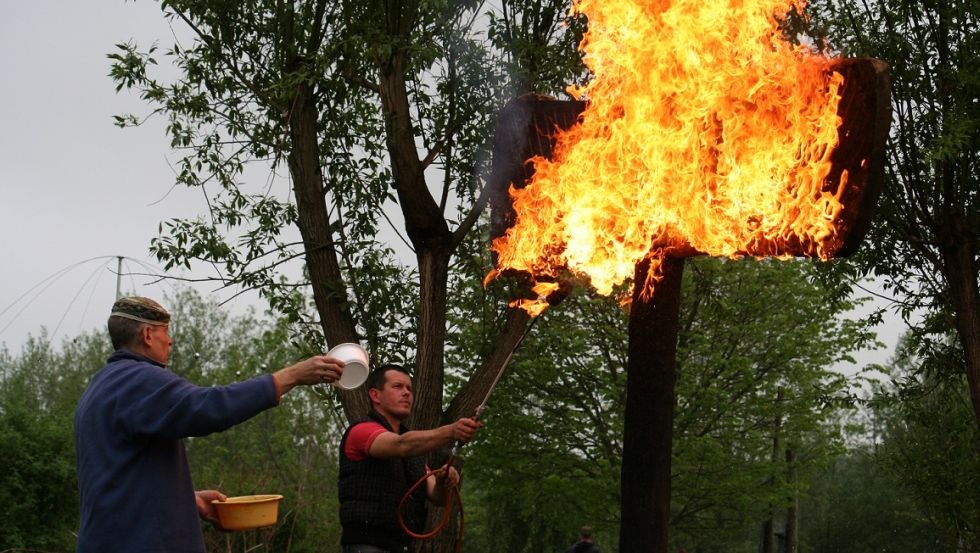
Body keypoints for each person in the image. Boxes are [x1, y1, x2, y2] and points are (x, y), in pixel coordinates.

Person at [74, 296, 345, 553]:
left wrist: (186, 499)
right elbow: (208, 407)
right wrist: (289, 377)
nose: (170, 342)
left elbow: (117, 479)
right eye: (165, 332)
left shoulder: (100, 387)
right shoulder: (139, 380)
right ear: (147, 335)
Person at [338, 364, 482, 553]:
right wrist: (451, 430)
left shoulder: (414, 452)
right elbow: (400, 445)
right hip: (366, 545)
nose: (406, 393)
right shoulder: (361, 431)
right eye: (398, 387)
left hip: (403, 546)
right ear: (375, 395)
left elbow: (437, 497)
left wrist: (442, 480)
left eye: (409, 389)